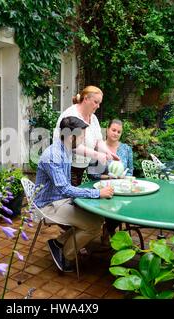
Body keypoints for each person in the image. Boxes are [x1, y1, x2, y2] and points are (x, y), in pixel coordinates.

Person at [35, 116, 114, 272]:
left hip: (60, 199)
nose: (84, 139)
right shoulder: (53, 156)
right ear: (71, 137)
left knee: (97, 218)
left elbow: (65, 188)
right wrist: (97, 193)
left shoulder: (65, 149)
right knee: (94, 227)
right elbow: (65, 189)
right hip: (49, 205)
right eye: (82, 136)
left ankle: (58, 243)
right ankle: (66, 255)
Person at [53, 86, 120, 186]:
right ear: (86, 99)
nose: (98, 106)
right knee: (69, 197)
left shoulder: (93, 118)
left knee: (75, 197)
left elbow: (98, 141)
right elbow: (72, 145)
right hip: (66, 166)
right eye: (95, 102)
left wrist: (107, 152)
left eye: (99, 103)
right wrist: (97, 155)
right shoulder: (70, 115)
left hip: (81, 167)